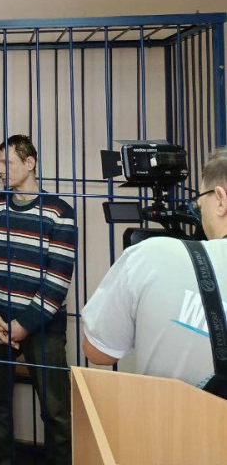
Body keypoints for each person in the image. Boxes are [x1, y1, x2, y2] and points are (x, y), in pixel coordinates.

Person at [81, 148, 227, 390]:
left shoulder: (150, 256)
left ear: (221, 200)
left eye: (200, 206)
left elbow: (98, 351)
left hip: (172, 413)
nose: (200, 215)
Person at [0, 134, 76, 465]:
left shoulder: (60, 212)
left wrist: (25, 324)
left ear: (30, 163)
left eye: (7, 163)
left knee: (56, 410)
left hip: (43, 325)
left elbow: (58, 280)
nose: (0, 170)